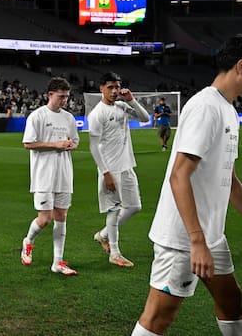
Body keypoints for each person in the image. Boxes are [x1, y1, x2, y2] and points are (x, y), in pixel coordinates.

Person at [131, 35, 242, 336]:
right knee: (159, 317)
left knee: (233, 303)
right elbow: (179, 175)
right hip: (183, 237)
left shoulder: (229, 110)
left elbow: (228, 179)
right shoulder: (206, 106)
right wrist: (196, 241)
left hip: (212, 235)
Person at [87, 71, 150, 268]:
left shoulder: (123, 106)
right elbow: (94, 146)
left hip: (127, 165)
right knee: (113, 210)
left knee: (134, 206)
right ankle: (114, 253)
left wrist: (131, 100)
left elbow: (145, 117)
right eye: (110, 87)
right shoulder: (97, 114)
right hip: (110, 169)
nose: (114, 91)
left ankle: (103, 235)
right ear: (101, 89)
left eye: (117, 87)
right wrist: (105, 173)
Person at [19, 77, 80, 276]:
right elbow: (28, 143)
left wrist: (71, 145)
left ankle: (58, 262)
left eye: (67, 97)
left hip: (64, 174)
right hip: (43, 175)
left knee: (61, 217)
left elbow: (75, 141)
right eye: (61, 97)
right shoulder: (37, 116)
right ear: (50, 94)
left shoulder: (69, 118)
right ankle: (28, 241)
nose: (65, 101)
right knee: (45, 219)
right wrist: (56, 145)